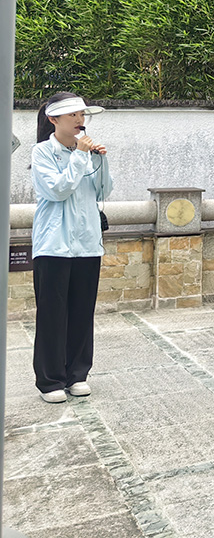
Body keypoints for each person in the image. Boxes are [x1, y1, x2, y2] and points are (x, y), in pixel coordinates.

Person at [31, 92, 113, 403]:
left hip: (88, 245)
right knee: (52, 315)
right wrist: (80, 155)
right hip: (53, 246)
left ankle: (78, 374)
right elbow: (57, 191)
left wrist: (100, 160)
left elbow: (105, 190)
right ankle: (50, 380)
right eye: (73, 116)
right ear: (54, 120)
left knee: (82, 313)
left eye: (82, 115)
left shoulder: (87, 153)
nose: (80, 121)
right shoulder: (42, 153)